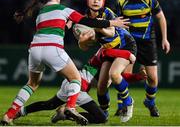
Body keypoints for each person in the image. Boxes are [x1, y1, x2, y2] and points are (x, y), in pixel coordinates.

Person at [0, 0, 130, 126]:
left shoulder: (41, 13)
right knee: (75, 79)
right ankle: (70, 108)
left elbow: (53, 27)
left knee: (32, 84)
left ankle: (9, 115)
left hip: (35, 49)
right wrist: (112, 23)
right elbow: (87, 21)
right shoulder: (64, 9)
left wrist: (68, 25)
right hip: (52, 48)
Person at [14, 46, 145, 125]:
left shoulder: (113, 61)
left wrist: (139, 76)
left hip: (72, 83)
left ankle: (20, 112)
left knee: (50, 104)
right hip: (79, 86)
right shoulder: (105, 52)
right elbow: (105, 53)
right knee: (101, 118)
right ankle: (66, 114)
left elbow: (122, 77)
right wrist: (128, 54)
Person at [115, 0, 170, 117]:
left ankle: (150, 102)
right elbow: (118, 24)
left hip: (148, 43)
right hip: (129, 43)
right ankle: (122, 105)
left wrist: (164, 39)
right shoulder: (121, 3)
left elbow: (161, 18)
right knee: (124, 75)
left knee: (152, 79)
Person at [79, 0, 137, 123]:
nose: (95, 1)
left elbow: (111, 32)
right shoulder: (85, 18)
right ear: (87, 0)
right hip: (109, 50)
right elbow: (83, 47)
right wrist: (82, 41)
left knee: (115, 74)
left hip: (125, 46)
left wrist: (99, 27)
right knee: (101, 87)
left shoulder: (107, 13)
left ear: (103, 1)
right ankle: (103, 113)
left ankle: (128, 102)